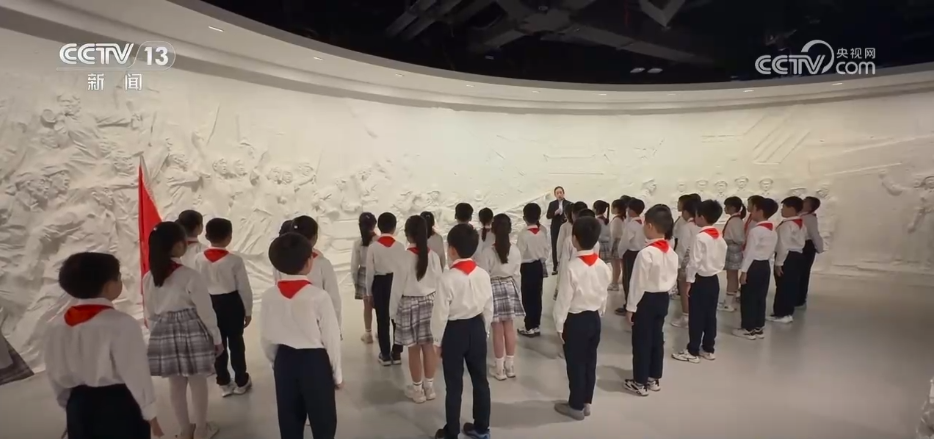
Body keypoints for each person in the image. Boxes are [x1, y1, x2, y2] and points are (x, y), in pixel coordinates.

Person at [44, 252, 163, 439]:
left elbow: (54, 373)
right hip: (119, 405)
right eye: (118, 277)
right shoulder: (122, 323)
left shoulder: (55, 326)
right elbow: (136, 373)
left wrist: (69, 405)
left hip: (78, 404)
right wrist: (150, 411)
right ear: (108, 286)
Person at [143, 222, 221, 439]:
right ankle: (202, 429)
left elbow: (150, 312)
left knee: (175, 384)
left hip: (163, 330)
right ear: (179, 245)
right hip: (192, 329)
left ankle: (185, 430)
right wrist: (216, 337)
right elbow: (205, 311)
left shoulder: (148, 278)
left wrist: (156, 335)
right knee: (198, 381)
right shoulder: (190, 275)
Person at [261, 232, 342, 439]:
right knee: (323, 420)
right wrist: (337, 374)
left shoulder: (269, 296)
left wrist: (276, 362)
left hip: (284, 360)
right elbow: (331, 339)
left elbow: (266, 338)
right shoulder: (319, 297)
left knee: (289, 419)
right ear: (309, 262)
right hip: (315, 362)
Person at [431, 224, 493, 439]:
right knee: (481, 380)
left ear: (452, 250)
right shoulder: (483, 274)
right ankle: (482, 428)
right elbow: (489, 306)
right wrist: (484, 331)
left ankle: (452, 431)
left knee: (454, 385)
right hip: (477, 327)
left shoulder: (447, 278)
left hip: (454, 332)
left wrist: (437, 341)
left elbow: (440, 314)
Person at [552, 217, 611, 420]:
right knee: (590, 361)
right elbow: (604, 294)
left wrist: (559, 324)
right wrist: (600, 311)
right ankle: (587, 401)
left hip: (575, 321)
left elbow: (564, 300)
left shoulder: (572, 267)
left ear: (574, 239)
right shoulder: (603, 266)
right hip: (594, 318)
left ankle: (575, 406)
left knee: (575, 364)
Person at [193, 218, 253, 397]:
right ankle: (241, 380)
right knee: (236, 343)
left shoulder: (198, 259)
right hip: (232, 303)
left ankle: (224, 382)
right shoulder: (235, 260)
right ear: (229, 237)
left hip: (209, 302)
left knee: (217, 343)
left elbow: (196, 286)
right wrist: (248, 311)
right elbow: (244, 288)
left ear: (206, 236)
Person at [623, 204, 677, 397]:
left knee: (641, 341)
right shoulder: (671, 251)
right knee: (656, 338)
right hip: (663, 298)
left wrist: (630, 307)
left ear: (651, 226)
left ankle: (639, 381)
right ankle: (653, 377)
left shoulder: (646, 253)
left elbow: (637, 284)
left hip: (645, 300)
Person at [390, 215, 443, 403]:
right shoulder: (433, 256)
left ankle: (417, 389)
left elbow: (396, 288)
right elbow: (440, 283)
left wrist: (392, 312)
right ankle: (430, 387)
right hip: (431, 303)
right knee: (429, 347)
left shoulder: (403, 257)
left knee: (413, 349)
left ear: (407, 234)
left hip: (409, 304)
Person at [672, 200, 726, 364]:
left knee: (696, 316)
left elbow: (694, 262)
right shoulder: (719, 236)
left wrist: (689, 281)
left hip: (700, 280)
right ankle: (708, 349)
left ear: (701, 217)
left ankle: (692, 350)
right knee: (710, 316)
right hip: (713, 279)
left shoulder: (700, 237)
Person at [477, 214, 524, 381]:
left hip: (493, 288)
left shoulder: (487, 252)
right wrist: (516, 291)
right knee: (509, 328)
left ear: (493, 230)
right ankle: (510, 366)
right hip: (510, 286)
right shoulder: (515, 251)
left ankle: (499, 369)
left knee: (497, 330)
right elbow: (517, 274)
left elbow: (483, 276)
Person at [282, 216, 342, 329]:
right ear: (315, 237)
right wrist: (336, 329)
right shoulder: (322, 264)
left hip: (289, 326)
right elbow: (334, 301)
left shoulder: (281, 263)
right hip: (316, 326)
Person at [733, 198, 778, 340]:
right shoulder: (772, 230)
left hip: (753, 266)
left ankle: (747, 328)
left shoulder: (756, 231)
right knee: (760, 297)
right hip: (765, 266)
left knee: (748, 298)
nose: (751, 212)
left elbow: (750, 253)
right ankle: (758, 327)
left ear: (760, 211)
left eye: (753, 209)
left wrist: (744, 272)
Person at [367, 212, 406, 365]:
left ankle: (384, 354)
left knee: (382, 319)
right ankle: (397, 353)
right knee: (397, 319)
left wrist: (369, 293)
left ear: (379, 227)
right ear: (394, 227)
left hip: (380, 283)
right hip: (397, 282)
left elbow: (370, 272)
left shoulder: (373, 247)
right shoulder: (400, 247)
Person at [770, 196, 807, 324]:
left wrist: (778, 263)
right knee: (790, 285)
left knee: (784, 286)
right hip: (797, 256)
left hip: (788, 257)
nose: (782, 210)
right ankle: (782, 312)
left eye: (784, 207)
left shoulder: (787, 225)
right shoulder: (800, 223)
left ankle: (784, 313)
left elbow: (783, 245)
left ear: (791, 209)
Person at [517, 203, 550, 337]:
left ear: (524, 217)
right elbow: (546, 251)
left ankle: (529, 326)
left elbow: (519, 253)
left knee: (527, 297)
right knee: (537, 296)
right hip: (538, 266)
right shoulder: (542, 233)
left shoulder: (523, 234)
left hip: (527, 267)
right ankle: (536, 325)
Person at [614, 198, 646, 315]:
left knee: (628, 280)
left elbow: (624, 242)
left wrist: (620, 254)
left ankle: (629, 306)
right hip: (641, 252)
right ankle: (636, 304)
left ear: (631, 210)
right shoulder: (643, 222)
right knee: (637, 279)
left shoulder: (631, 225)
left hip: (631, 254)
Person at [671, 198, 699, 328]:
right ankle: (694, 315)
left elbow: (682, 248)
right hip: (698, 262)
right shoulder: (700, 225)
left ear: (687, 212)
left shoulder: (687, 227)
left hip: (687, 262)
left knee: (684, 290)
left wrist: (677, 265)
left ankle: (686, 316)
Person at [350, 212, 378, 344]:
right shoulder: (378, 241)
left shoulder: (358, 243)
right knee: (380, 305)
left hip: (363, 274)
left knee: (367, 306)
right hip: (377, 274)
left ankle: (368, 333)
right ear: (374, 225)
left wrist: (355, 281)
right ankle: (380, 331)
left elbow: (354, 265)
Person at [719, 197, 746, 312]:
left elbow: (740, 239)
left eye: (727, 206)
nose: (725, 208)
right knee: (731, 276)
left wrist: (729, 240)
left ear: (733, 207)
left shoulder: (735, 221)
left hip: (733, 249)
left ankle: (729, 303)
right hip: (732, 248)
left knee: (732, 276)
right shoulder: (735, 220)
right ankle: (729, 300)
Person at [799, 196, 824, 308]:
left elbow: (814, 234)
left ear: (810, 207)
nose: (802, 203)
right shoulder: (801, 216)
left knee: (803, 273)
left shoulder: (809, 218)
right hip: (800, 246)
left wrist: (819, 248)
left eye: (805, 202)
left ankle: (800, 298)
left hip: (806, 246)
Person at [546, 186, 572, 275]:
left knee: (567, 244)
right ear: (555, 195)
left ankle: (567, 265)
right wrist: (555, 213)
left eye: (561, 192)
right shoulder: (552, 204)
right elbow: (548, 216)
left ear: (563, 193)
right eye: (557, 193)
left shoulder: (569, 204)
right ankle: (555, 267)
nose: (559, 194)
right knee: (555, 246)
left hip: (566, 227)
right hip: (555, 227)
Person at [608, 199, 627, 292]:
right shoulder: (623, 218)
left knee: (615, 265)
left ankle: (614, 283)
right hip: (622, 242)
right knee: (619, 265)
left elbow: (613, 234)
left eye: (612, 207)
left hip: (616, 243)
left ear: (616, 208)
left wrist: (610, 247)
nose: (611, 209)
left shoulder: (616, 220)